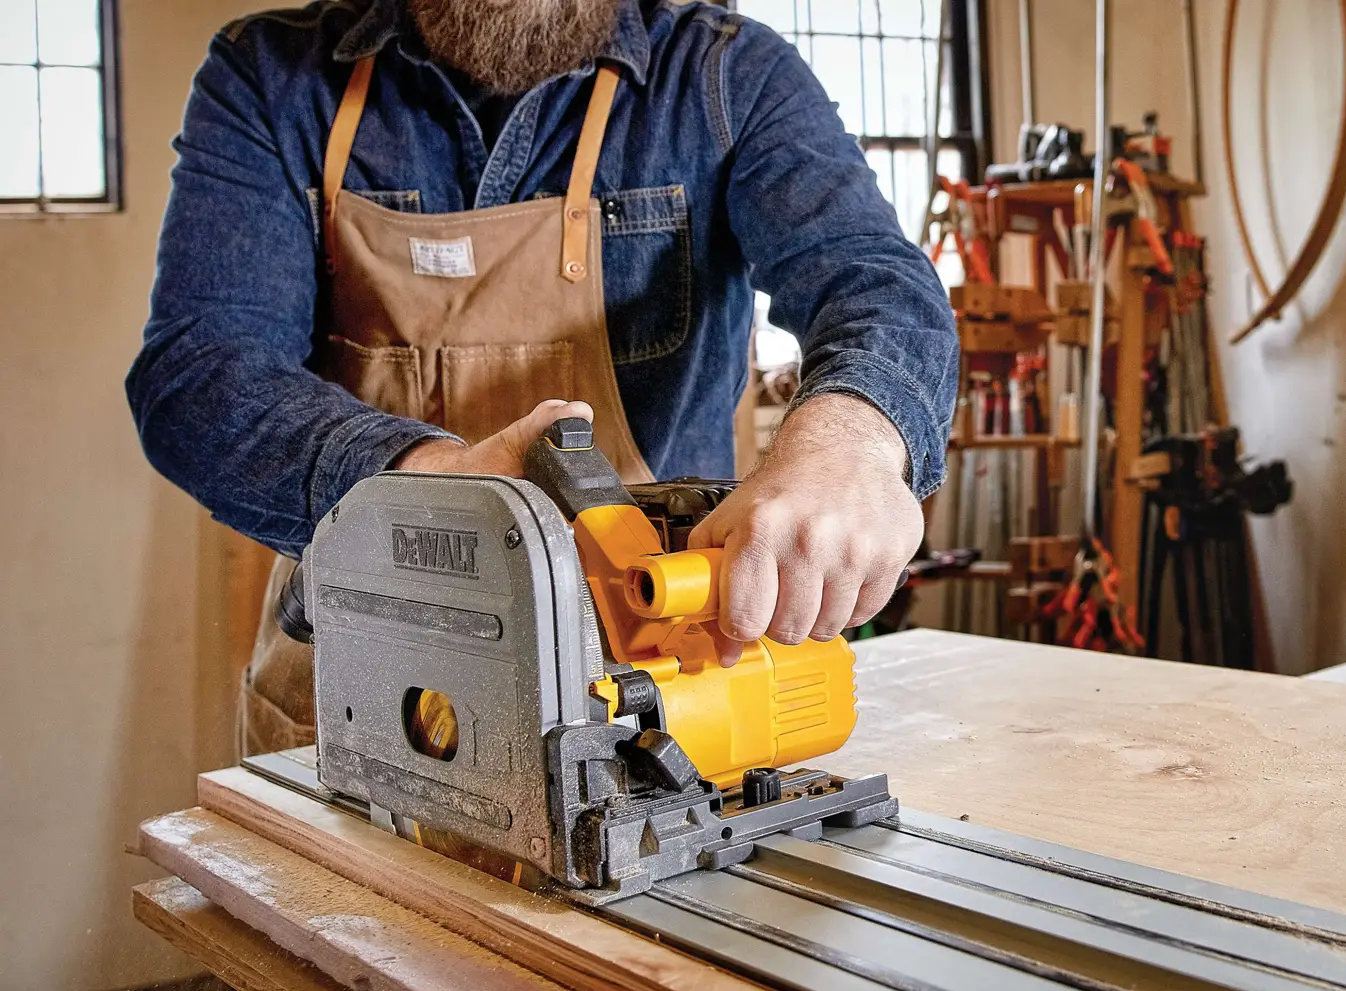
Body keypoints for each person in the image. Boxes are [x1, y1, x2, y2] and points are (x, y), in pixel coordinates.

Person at [127, 0, 959, 760]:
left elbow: (873, 281)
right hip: (363, 683)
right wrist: (436, 485)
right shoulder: (273, 76)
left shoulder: (723, 77)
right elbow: (199, 371)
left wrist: (850, 442)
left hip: (651, 691)